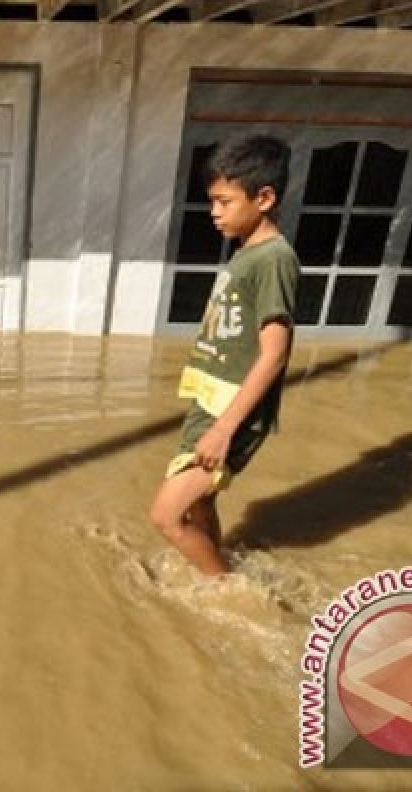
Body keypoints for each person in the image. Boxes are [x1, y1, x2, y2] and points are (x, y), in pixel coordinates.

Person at [148, 133, 301, 576]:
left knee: (166, 515)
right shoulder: (247, 255)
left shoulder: (274, 259)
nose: (214, 213)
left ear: (265, 197)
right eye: (212, 201)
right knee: (199, 503)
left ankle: (226, 593)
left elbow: (274, 353)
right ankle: (215, 562)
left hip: (232, 413)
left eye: (224, 201)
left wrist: (224, 429)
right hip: (213, 404)